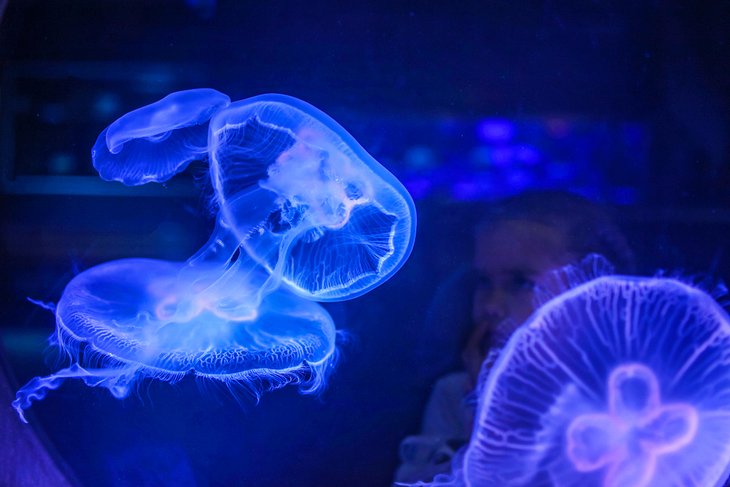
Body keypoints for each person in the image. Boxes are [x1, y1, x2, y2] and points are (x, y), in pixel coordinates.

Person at [394, 190, 634, 484]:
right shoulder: (454, 393)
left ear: (592, 295)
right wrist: (486, 408)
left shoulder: (633, 396)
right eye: (483, 282)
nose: (491, 306)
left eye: (521, 282)